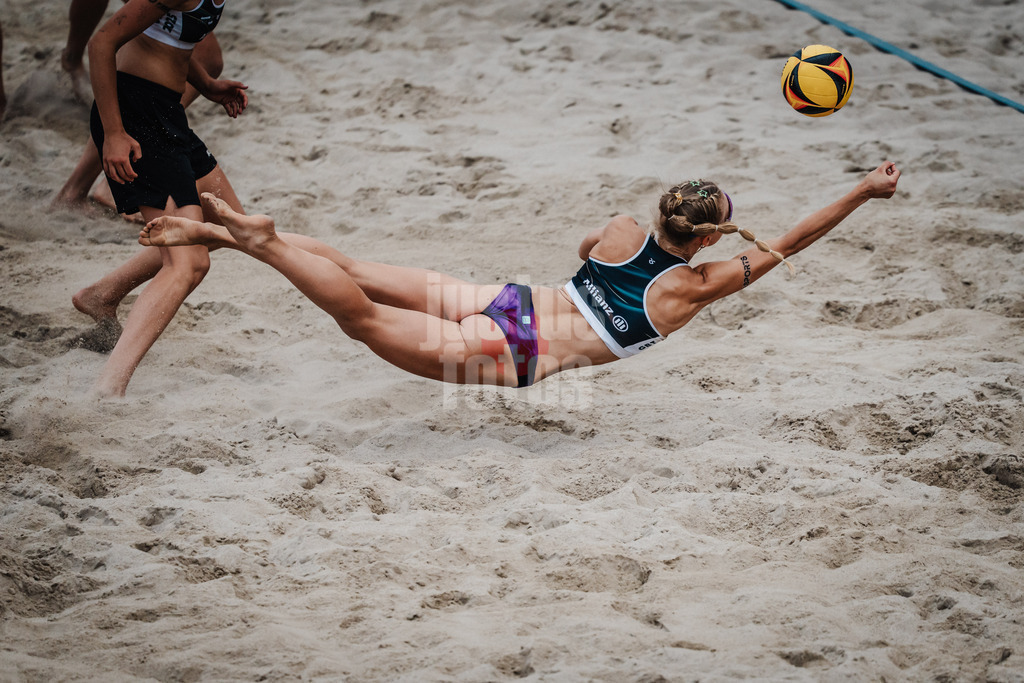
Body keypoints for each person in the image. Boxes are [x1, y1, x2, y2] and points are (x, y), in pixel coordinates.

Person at [135, 162, 902, 390]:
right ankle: (264, 245)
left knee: (359, 270)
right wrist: (864, 190)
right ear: (705, 237)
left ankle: (252, 238)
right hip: (515, 352)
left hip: (509, 300)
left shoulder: (622, 229)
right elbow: (792, 242)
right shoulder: (693, 289)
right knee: (359, 318)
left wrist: (607, 253)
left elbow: (585, 243)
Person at [82, 0, 248, 397]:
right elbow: (102, 43)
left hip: (166, 113)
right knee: (189, 263)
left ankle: (101, 294)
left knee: (229, 223)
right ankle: (109, 387)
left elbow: (171, 37)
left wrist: (207, 85)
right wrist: (114, 133)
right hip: (139, 117)